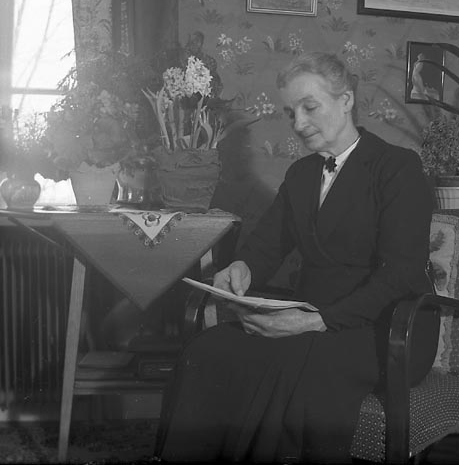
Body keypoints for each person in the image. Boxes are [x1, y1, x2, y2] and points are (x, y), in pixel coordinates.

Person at [155, 52, 438, 463]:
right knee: (208, 350)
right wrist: (241, 267)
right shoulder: (302, 174)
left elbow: (400, 275)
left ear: (346, 100)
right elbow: (267, 245)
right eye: (291, 112)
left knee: (293, 362)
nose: (299, 123)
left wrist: (315, 321)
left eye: (310, 107)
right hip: (311, 318)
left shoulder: (397, 167)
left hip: (387, 328)